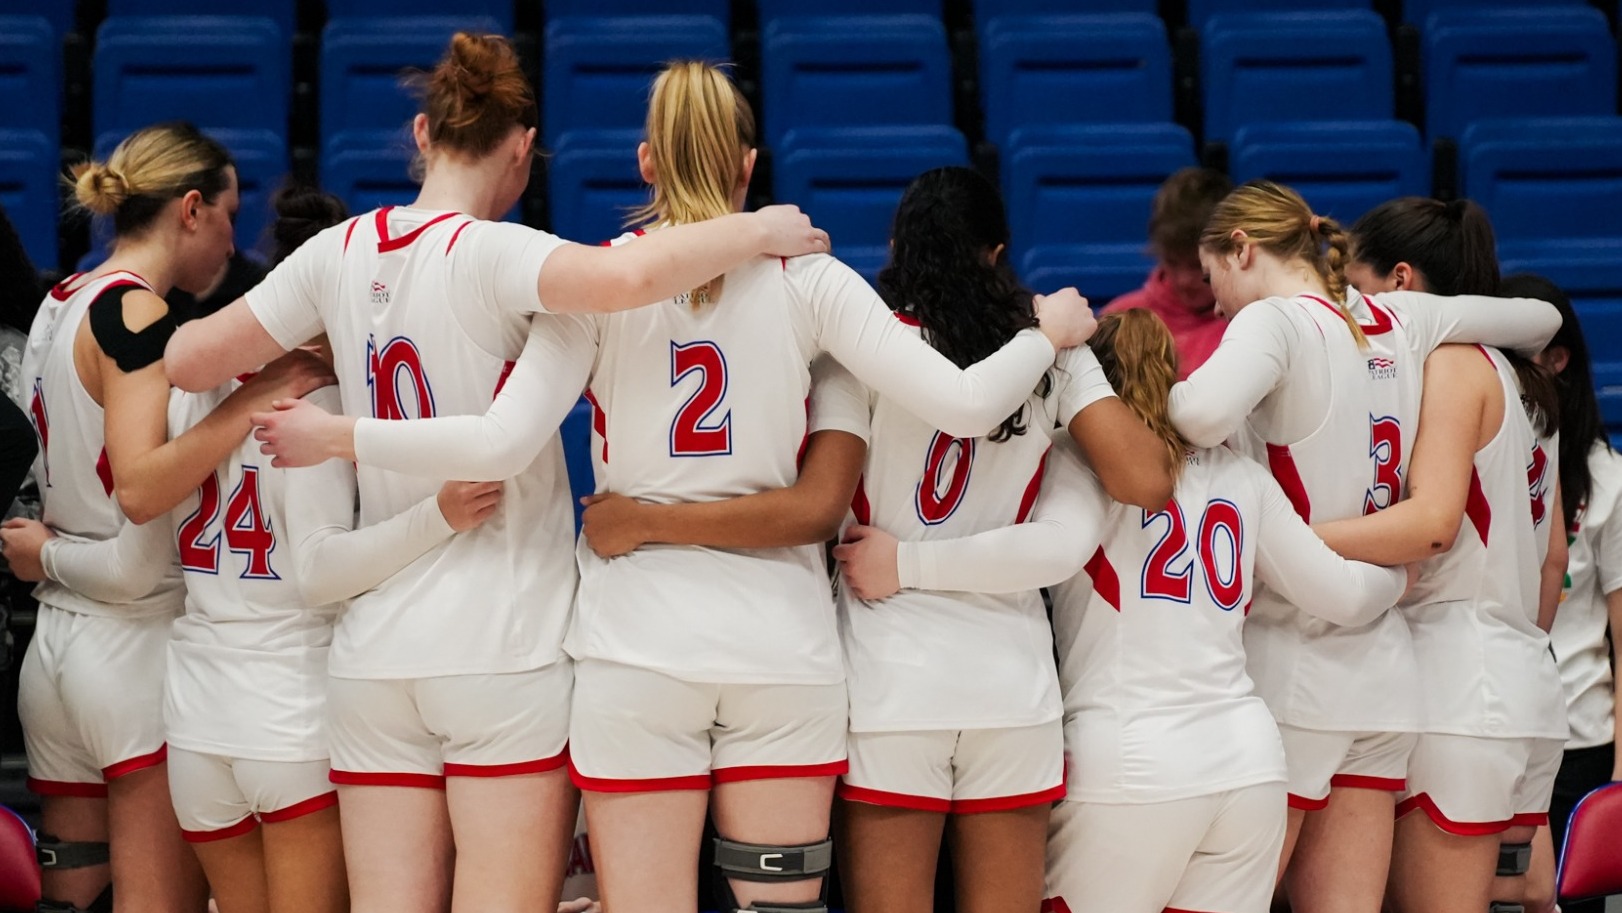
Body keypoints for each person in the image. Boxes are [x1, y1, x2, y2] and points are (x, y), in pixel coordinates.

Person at [243, 60, 1101, 913]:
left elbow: (497, 440)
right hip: (779, 654)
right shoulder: (812, 278)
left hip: (636, 652)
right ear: (750, 166)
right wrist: (1042, 330)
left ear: (647, 163)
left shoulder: (590, 287)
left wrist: (339, 432)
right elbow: (965, 404)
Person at [157, 34, 888, 913]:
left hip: (375, 654)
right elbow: (636, 274)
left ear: (423, 133)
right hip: (503, 643)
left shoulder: (336, 252)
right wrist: (760, 228)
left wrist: (285, 386)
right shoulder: (503, 254)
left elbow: (190, 358)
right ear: (521, 150)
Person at [559, 165, 1168, 913]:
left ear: (895, 247)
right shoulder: (1050, 354)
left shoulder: (858, 355)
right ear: (999, 251)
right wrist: (1063, 352)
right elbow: (1146, 480)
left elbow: (818, 503)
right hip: (1011, 688)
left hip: (891, 682)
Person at [834, 308, 1407, 913]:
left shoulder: (1077, 461)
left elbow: (1052, 548)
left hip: (1130, 764)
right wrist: (1399, 575)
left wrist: (906, 565)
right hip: (1250, 765)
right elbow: (1343, 596)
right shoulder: (1243, 475)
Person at [1168, 181, 1562, 913]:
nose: (1213, 300)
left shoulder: (1273, 323)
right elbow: (1541, 316)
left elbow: (1197, 413)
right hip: (1383, 674)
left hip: (1292, 660)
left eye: (1212, 274)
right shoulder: (1400, 316)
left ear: (1244, 249)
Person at [8, 121, 332, 913]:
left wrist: (47, 556)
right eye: (226, 213)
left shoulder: (58, 300)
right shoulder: (139, 317)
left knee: (72, 898)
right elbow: (142, 494)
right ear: (191, 209)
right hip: (130, 644)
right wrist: (253, 397)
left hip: (54, 657)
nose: (233, 239)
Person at [1505, 274, 1622, 913]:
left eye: (1520, 356)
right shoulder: (1473, 460)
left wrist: (1621, 776)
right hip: (1494, 730)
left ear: (1558, 360)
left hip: (1580, 742)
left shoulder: (1608, 479)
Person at [1101, 166, 1233, 379]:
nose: (1184, 280)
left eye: (1197, 266)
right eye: (1171, 262)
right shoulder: (1119, 319)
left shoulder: (1253, 326)